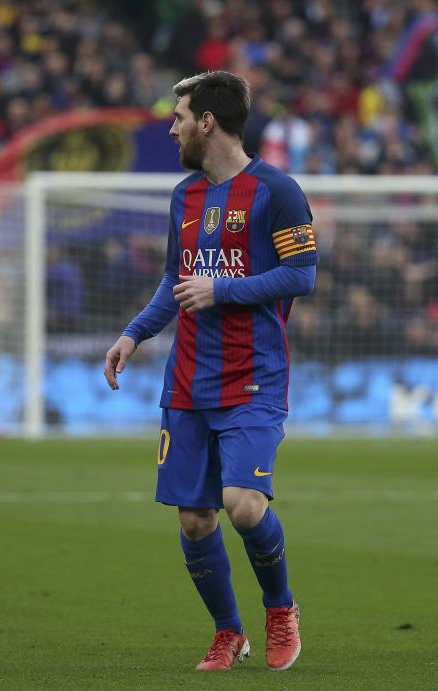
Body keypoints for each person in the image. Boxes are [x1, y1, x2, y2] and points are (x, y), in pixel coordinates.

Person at [103, 71, 317, 672]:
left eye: (178, 116)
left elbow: (302, 275)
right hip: (188, 379)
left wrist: (223, 290)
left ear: (207, 122)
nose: (170, 126)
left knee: (244, 505)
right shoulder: (184, 196)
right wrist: (134, 332)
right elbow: (177, 280)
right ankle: (229, 632)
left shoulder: (278, 190)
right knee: (196, 519)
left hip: (254, 375)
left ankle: (281, 609)